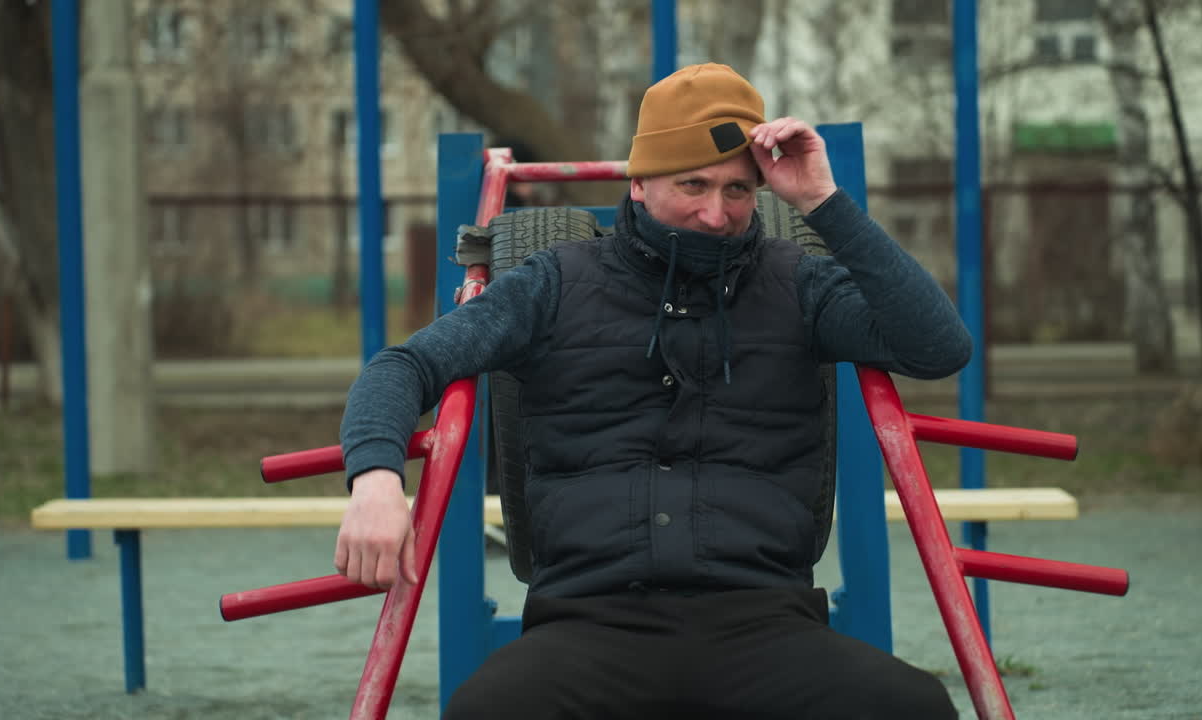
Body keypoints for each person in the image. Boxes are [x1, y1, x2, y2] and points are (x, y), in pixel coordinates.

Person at [334, 63, 970, 719]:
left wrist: (822, 203)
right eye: (691, 184)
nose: (716, 213)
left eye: (738, 190)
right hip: (589, 622)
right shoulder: (553, 285)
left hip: (763, 621)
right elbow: (405, 366)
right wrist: (376, 478)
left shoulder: (800, 285)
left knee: (913, 707)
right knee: (484, 712)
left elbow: (937, 346)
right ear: (638, 182)